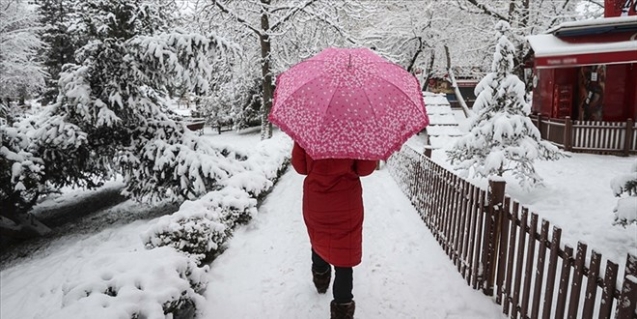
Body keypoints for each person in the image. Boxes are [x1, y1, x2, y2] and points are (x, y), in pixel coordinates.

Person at [291, 142, 377, 319]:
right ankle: (342, 308)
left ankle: (321, 276)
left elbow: (300, 167)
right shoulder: (355, 132)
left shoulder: (308, 130)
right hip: (346, 201)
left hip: (316, 200)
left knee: (319, 238)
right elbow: (365, 169)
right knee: (345, 253)